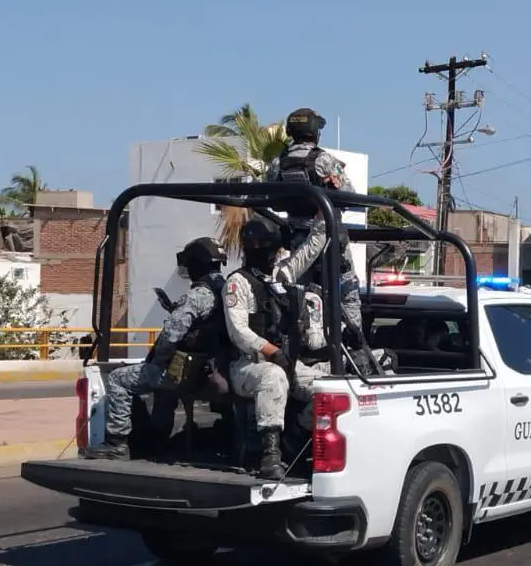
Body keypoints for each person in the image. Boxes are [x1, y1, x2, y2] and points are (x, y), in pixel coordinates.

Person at [87, 237, 229, 461]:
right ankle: (158, 441)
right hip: (216, 369)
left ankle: (117, 443)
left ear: (197, 264)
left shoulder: (198, 295)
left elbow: (170, 337)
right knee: (163, 390)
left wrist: (157, 361)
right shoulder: (228, 290)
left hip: (190, 373)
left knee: (118, 379)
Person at [263, 108, 378, 374]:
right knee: (347, 287)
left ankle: (304, 349)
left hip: (296, 238)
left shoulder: (279, 162)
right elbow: (349, 193)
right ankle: (353, 342)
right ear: (315, 132)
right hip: (327, 238)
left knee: (300, 295)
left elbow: (270, 194)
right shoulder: (323, 160)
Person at [225, 217, 323, 478]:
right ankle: (271, 454)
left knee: (329, 388)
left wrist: (323, 220)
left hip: (285, 360)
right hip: (248, 365)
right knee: (273, 377)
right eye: (269, 252)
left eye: (274, 252)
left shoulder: (280, 276)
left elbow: (309, 252)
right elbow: (239, 331)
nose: (273, 257)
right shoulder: (237, 283)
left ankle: (296, 438)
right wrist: (272, 351)